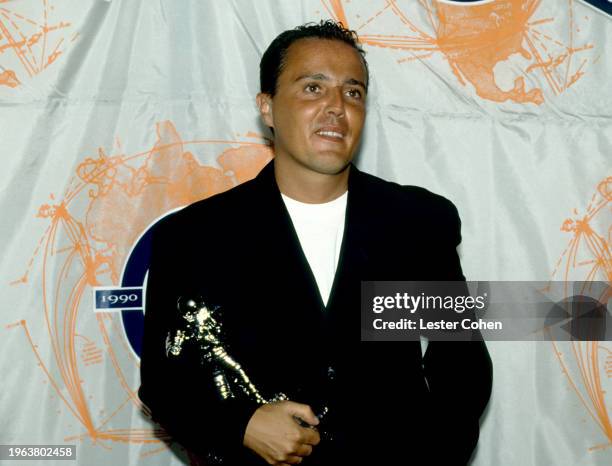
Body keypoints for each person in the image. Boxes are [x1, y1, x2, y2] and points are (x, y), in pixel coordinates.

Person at [139, 20, 492, 466]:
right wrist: (241, 424)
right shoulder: (196, 236)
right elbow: (164, 381)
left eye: (353, 92)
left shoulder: (416, 223)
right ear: (266, 108)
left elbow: (461, 365)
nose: (336, 108)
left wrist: (433, 454)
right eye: (312, 88)